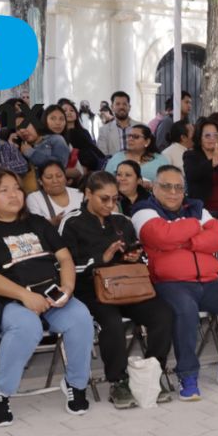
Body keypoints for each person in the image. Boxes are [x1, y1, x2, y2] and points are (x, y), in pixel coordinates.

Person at [0, 167, 95, 426]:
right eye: (4, 190)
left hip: (47, 295)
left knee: (80, 317)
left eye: (17, 188)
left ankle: (76, 384)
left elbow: (64, 257)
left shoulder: (37, 223)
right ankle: (0, 393)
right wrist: (24, 296)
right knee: (26, 325)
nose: (14, 195)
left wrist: (67, 288)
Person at [132, 166, 218, 400]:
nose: (173, 192)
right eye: (166, 186)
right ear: (154, 188)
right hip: (170, 283)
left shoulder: (197, 206)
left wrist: (182, 239)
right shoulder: (144, 210)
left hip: (209, 281)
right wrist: (194, 227)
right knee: (185, 311)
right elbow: (160, 236)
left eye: (178, 187)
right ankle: (187, 375)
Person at [59, 171, 174, 409]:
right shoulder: (72, 223)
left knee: (163, 314)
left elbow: (140, 261)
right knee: (111, 323)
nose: (111, 204)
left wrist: (134, 258)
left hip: (127, 286)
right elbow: (64, 265)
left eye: (114, 198)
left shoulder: (122, 221)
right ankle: (118, 380)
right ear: (88, 194)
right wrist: (102, 258)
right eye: (104, 199)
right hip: (90, 290)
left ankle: (152, 373)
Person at [184, 118, 218, 215]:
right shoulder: (190, 155)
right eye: (207, 136)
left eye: (215, 135)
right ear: (199, 138)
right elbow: (192, 175)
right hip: (205, 211)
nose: (212, 139)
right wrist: (214, 161)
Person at [103, 124, 169, 183]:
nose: (130, 139)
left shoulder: (160, 160)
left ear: (147, 141)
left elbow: (168, 183)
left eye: (136, 137)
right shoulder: (117, 158)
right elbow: (106, 181)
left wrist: (150, 186)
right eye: (129, 136)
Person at [26, 161, 83, 227]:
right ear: (40, 181)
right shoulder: (34, 198)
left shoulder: (79, 193)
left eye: (59, 176)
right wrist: (51, 223)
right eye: (49, 177)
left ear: (65, 178)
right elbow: (36, 226)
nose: (55, 181)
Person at [58, 98, 106, 173]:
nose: (68, 113)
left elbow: (93, 149)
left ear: (76, 114)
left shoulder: (84, 132)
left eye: (72, 110)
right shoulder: (59, 135)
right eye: (65, 111)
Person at [97, 91, 136, 156]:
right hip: (114, 165)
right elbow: (102, 156)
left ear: (129, 107)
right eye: (117, 104)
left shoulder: (141, 127)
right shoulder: (104, 131)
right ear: (112, 107)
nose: (121, 107)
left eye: (124, 104)